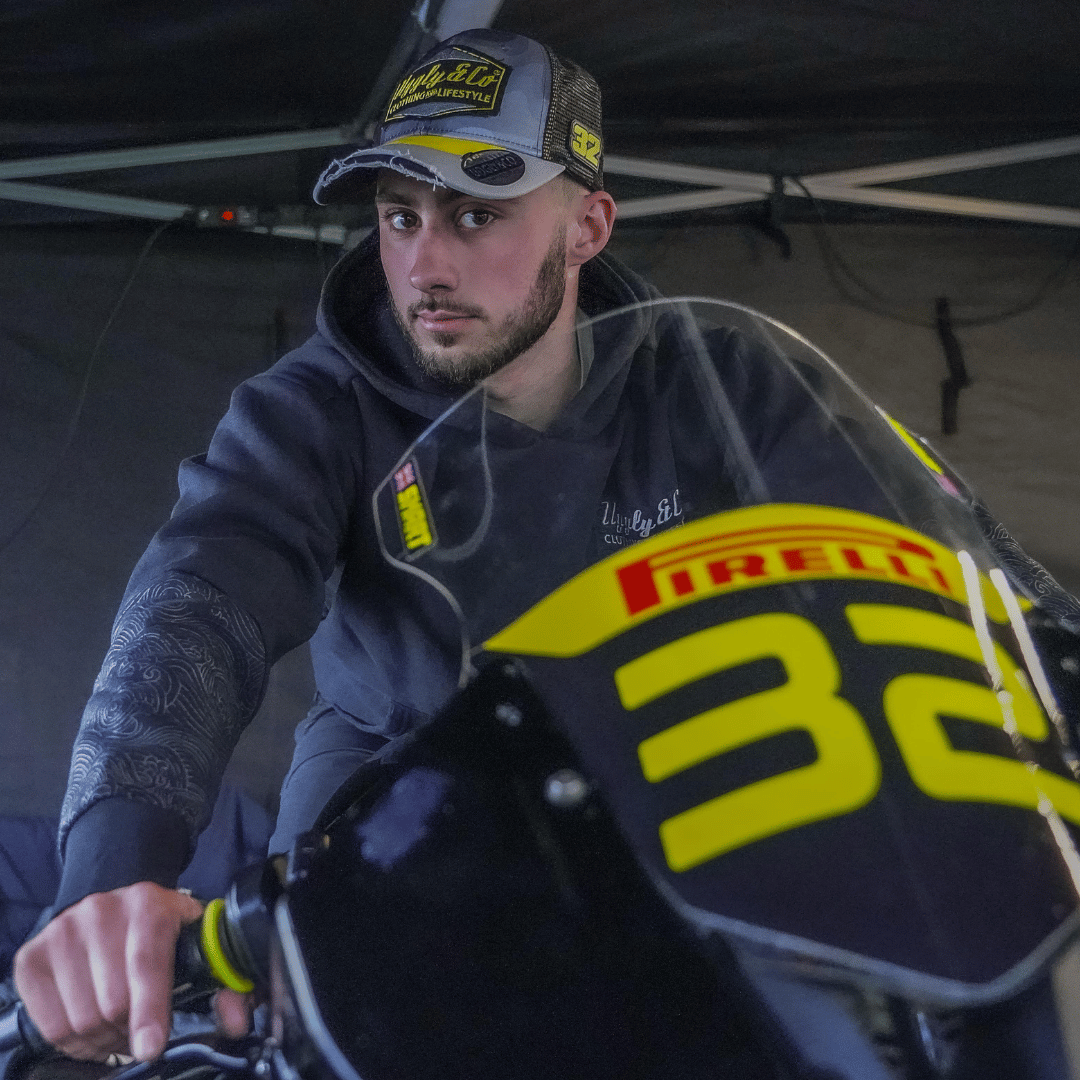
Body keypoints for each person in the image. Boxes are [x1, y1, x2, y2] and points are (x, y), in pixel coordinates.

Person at [12, 24, 1080, 1073]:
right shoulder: (313, 407)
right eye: (399, 216)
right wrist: (106, 884)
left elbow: (958, 568)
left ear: (587, 227)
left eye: (477, 213)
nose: (424, 264)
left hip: (687, 798)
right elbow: (199, 602)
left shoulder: (728, 382)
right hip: (393, 800)